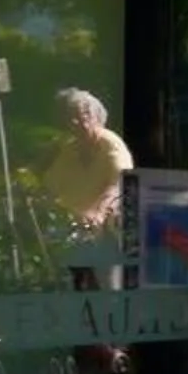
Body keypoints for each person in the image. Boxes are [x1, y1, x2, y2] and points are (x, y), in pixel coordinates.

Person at [41, 87, 133, 291]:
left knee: (108, 291)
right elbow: (52, 184)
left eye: (81, 116)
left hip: (107, 232)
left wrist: (97, 212)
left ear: (95, 117)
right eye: (69, 118)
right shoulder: (70, 149)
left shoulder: (111, 145)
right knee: (72, 287)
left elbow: (117, 183)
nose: (74, 123)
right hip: (76, 230)